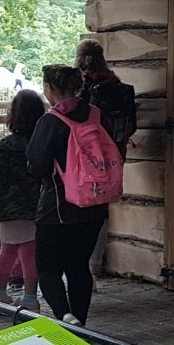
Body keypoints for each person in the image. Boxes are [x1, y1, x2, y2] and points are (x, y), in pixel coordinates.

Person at [27, 64, 111, 326]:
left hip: (58, 207)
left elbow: (37, 164)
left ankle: (65, 316)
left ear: (49, 88)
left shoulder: (50, 121)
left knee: (48, 268)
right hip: (95, 203)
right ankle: (81, 322)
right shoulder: (97, 115)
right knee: (78, 266)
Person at [75, 38, 137, 280]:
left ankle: (79, 266)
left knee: (81, 206)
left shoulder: (82, 87)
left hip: (85, 156)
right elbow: (130, 126)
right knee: (100, 209)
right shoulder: (117, 84)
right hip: (114, 154)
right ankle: (96, 262)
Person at [0, 89, 45, 310]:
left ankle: (0, 293)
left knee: (6, 250)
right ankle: (30, 298)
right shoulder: (41, 143)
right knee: (30, 251)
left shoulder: (4, 146)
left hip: (8, 207)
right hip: (36, 205)